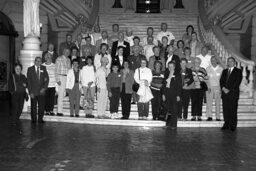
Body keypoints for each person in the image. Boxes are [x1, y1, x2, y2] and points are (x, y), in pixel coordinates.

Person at [220, 57, 242, 131]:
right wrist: (223, 88)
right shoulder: (224, 71)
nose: (229, 62)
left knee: (233, 109)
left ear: (234, 62)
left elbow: (237, 82)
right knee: (225, 109)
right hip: (224, 93)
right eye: (228, 61)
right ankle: (226, 123)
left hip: (233, 93)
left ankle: (233, 125)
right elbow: (221, 81)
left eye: (231, 61)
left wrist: (228, 89)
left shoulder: (238, 71)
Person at [27, 57, 49, 123]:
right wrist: (30, 92)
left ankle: (40, 119)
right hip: (33, 92)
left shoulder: (43, 68)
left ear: (41, 62)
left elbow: (47, 79)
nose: (38, 62)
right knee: (33, 107)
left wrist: (44, 88)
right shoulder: (30, 69)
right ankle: (33, 119)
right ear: (34, 61)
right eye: (37, 61)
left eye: (39, 61)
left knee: (41, 107)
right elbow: (29, 82)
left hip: (41, 91)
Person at [162, 61, 182, 129]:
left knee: (174, 110)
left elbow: (179, 85)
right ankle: (168, 124)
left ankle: (174, 125)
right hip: (167, 93)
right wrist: (163, 94)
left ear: (174, 67)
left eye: (171, 66)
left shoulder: (177, 74)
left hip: (174, 94)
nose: (170, 68)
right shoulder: (166, 74)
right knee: (168, 109)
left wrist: (178, 95)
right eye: (169, 66)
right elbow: (164, 85)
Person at [206, 56, 223, 121]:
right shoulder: (208, 69)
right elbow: (206, 79)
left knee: (218, 102)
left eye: (214, 60)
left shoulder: (221, 69)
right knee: (209, 102)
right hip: (209, 87)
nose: (213, 61)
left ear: (217, 61)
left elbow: (222, 80)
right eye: (212, 60)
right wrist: (208, 87)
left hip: (217, 87)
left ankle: (218, 117)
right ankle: (209, 116)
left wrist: (220, 88)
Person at [55, 48, 71, 116]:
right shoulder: (59, 59)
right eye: (66, 51)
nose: (67, 53)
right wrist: (57, 79)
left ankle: (64, 110)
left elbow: (70, 70)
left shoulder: (68, 60)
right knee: (61, 95)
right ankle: (59, 111)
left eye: (68, 52)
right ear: (63, 51)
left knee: (65, 94)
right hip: (61, 77)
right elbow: (56, 70)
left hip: (67, 78)